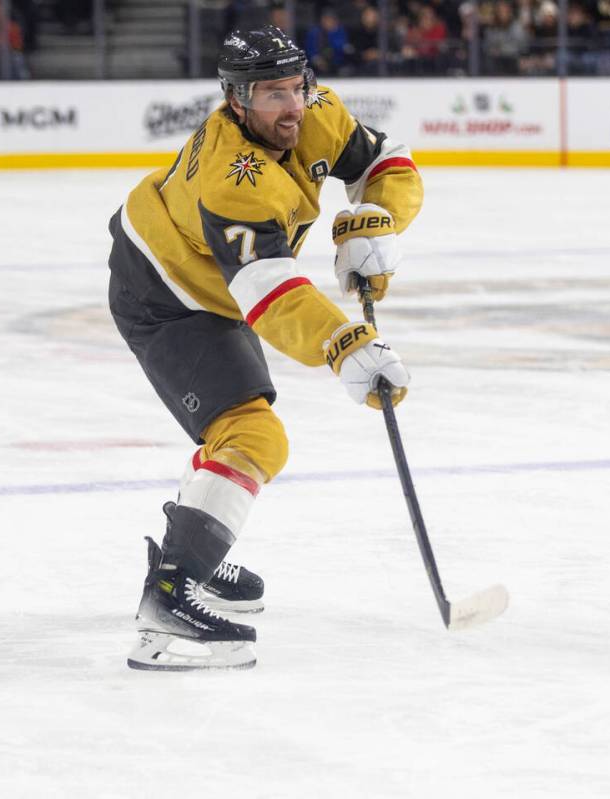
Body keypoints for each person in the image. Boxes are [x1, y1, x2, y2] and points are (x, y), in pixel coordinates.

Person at [107, 25, 423, 671]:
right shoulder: (232, 177)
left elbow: (383, 162)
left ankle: (189, 554)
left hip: (213, 289)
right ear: (234, 99)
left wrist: (377, 222)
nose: (290, 105)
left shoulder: (315, 111)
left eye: (295, 86)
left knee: (242, 434)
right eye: (270, 93)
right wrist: (343, 343)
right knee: (253, 437)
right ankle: (168, 597)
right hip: (165, 294)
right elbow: (264, 285)